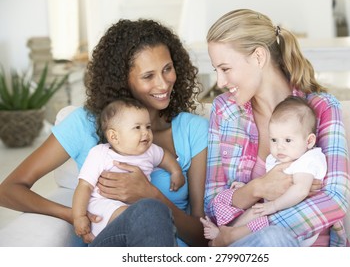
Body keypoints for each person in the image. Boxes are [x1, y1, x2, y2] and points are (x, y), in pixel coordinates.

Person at [0, 19, 209, 247]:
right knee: (149, 210)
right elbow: (8, 190)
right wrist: (72, 214)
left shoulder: (193, 130)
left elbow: (201, 237)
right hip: (110, 245)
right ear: (122, 79)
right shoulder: (84, 124)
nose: (163, 84)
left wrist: (151, 195)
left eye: (168, 69)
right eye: (148, 76)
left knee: (150, 209)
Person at [203, 9, 350, 247]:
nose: (220, 82)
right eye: (216, 71)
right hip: (247, 251)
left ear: (259, 57)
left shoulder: (322, 108)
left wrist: (254, 224)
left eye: (226, 69)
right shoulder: (224, 112)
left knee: (273, 237)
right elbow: (211, 205)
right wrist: (257, 188)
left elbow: (335, 199)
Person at [201, 96, 327, 246]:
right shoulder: (280, 159)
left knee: (261, 215)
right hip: (273, 215)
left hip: (293, 224)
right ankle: (225, 233)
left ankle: (225, 237)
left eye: (287, 140)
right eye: (274, 140)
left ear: (309, 141)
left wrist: (272, 206)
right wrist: (247, 188)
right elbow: (267, 185)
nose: (279, 146)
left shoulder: (309, 159)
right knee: (255, 211)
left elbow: (300, 190)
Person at [73, 98, 185, 238]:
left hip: (137, 213)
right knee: (145, 216)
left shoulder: (149, 151)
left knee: (151, 215)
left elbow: (164, 157)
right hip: (103, 210)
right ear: (114, 136)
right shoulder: (100, 154)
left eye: (148, 127)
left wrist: (176, 171)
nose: (145, 133)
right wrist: (79, 216)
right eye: (137, 127)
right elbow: (84, 186)